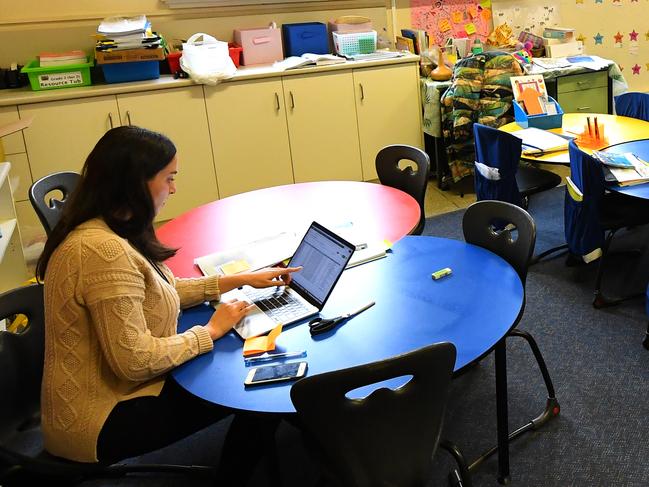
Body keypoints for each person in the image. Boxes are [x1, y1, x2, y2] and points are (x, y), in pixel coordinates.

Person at [36, 126, 299, 481]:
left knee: (241, 365)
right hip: (98, 420)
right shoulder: (101, 251)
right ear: (136, 183)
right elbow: (134, 361)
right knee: (253, 388)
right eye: (169, 178)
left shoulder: (111, 227)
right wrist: (210, 331)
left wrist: (239, 279)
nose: (174, 189)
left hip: (112, 393)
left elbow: (160, 288)